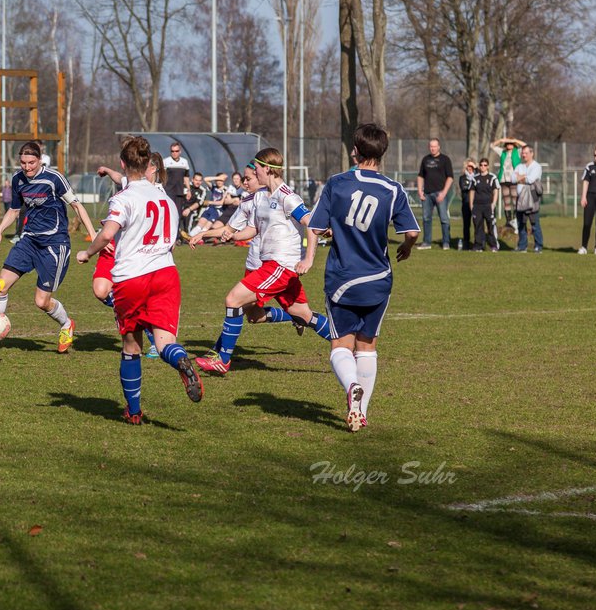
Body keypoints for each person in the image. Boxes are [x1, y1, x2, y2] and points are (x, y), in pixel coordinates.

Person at [76, 135, 202, 424]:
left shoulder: (123, 198)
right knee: (165, 341)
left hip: (133, 277)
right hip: (166, 274)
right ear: (148, 164)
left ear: (123, 163)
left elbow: (108, 234)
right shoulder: (167, 200)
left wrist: (87, 252)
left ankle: (133, 412)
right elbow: (170, 243)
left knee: (131, 346)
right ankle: (180, 358)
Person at [306, 123, 420, 432]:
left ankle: (351, 386)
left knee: (341, 347)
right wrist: (407, 247)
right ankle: (361, 411)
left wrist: (335, 230)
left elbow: (316, 226)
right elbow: (411, 232)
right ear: (382, 153)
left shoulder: (337, 184)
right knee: (367, 345)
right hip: (379, 278)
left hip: (342, 278)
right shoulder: (393, 189)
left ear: (355, 150)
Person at [193, 148, 331, 376]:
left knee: (233, 299)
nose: (253, 175)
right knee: (304, 315)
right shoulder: (262, 196)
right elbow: (253, 229)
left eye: (255, 170)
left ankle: (223, 360)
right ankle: (348, 346)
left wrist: (308, 259)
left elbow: (311, 224)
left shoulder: (287, 197)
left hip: (281, 266)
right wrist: (231, 236)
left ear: (267, 168)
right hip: (271, 266)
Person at [0, 141, 96, 355]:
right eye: (24, 163)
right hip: (28, 241)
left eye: (32, 163)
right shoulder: (18, 179)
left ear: (40, 159)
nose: (27, 167)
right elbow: (14, 210)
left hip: (54, 245)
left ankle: (66, 325)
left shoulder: (54, 179)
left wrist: (93, 235)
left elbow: (76, 205)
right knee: (0, 286)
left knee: (41, 301)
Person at [93, 153, 163, 358]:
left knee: (140, 299)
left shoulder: (157, 193)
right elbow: (119, 178)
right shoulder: (131, 184)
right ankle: (128, 311)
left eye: (148, 168)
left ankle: (148, 334)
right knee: (100, 290)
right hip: (114, 245)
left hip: (136, 251)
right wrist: (106, 170)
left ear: (154, 171)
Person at [416, 138, 454, 249]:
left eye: (435, 146)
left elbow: (450, 178)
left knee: (444, 219)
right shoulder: (425, 160)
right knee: (426, 218)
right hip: (427, 194)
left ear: (439, 147)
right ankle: (427, 242)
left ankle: (446, 242)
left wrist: (443, 193)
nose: (433, 148)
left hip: (440, 193)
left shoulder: (445, 159)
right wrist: (420, 191)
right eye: (431, 146)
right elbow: (420, 176)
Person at [512, 145, 544, 252]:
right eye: (522, 153)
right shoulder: (519, 166)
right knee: (521, 223)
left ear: (531, 153)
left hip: (532, 198)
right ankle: (522, 246)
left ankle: (538, 246)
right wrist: (523, 176)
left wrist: (519, 177)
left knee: (534, 224)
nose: (523, 155)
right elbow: (512, 179)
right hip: (520, 199)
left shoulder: (537, 166)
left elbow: (530, 180)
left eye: (526, 153)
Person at [491, 136, 526, 231]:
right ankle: (508, 221)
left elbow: (525, 146)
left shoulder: (517, 152)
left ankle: (515, 220)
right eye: (508, 143)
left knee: (515, 200)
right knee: (506, 200)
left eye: (511, 143)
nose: (509, 145)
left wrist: (515, 140)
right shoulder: (503, 152)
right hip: (504, 179)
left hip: (514, 179)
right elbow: (492, 146)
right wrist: (502, 140)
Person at [468, 158, 500, 251]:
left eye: (485, 165)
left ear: (488, 166)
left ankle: (493, 245)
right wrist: (471, 205)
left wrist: (493, 203)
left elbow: (496, 191)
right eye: (481, 165)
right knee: (478, 226)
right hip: (477, 206)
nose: (483, 167)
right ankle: (478, 246)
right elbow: (472, 192)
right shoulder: (475, 178)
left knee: (491, 226)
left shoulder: (492, 177)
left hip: (488, 205)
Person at [164, 142, 191, 220]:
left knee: (178, 213)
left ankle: (177, 231)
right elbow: (162, 176)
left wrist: (188, 190)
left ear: (180, 151)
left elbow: (186, 177)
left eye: (176, 151)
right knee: (169, 213)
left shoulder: (184, 162)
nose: (174, 153)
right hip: (168, 191)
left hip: (179, 192)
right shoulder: (165, 161)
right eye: (172, 151)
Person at [458, 159, 476, 250]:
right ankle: (466, 244)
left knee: (477, 223)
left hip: (477, 204)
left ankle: (478, 243)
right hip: (466, 203)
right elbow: (464, 188)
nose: (470, 168)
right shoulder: (462, 178)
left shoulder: (478, 176)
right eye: (468, 166)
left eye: (472, 166)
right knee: (466, 224)